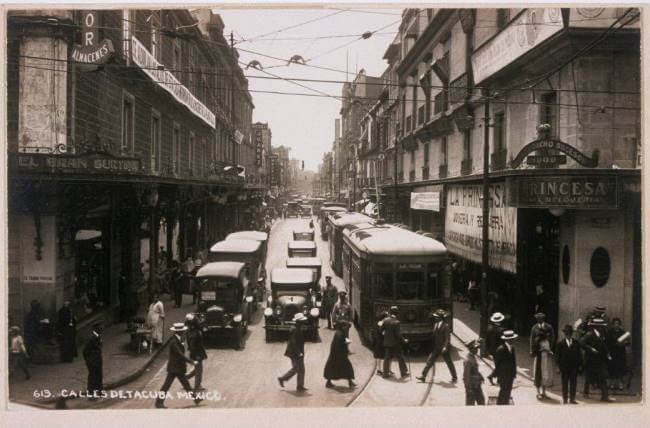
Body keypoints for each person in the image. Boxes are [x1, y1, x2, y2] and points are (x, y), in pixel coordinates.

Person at [155, 323, 201, 408]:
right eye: (183, 331)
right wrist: (191, 361)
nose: (184, 332)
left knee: (184, 384)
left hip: (176, 367)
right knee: (168, 385)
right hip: (175, 367)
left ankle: (196, 399)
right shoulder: (174, 342)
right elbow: (180, 354)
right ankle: (158, 403)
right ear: (179, 332)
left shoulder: (178, 339)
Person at [417, 309, 457, 384]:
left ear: (440, 318)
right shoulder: (435, 324)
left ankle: (454, 377)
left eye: (436, 317)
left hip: (443, 348)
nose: (435, 318)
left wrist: (445, 347)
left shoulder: (446, 326)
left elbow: (447, 338)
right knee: (430, 361)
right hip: (437, 347)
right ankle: (423, 376)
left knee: (449, 362)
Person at [581, 318, 614, 402]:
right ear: (596, 327)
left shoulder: (600, 334)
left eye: (602, 326)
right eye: (601, 326)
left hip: (599, 360)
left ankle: (604, 397)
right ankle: (586, 393)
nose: (602, 328)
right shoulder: (589, 334)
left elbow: (603, 345)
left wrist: (608, 353)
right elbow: (581, 343)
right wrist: (591, 349)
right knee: (588, 377)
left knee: (602, 377)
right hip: (590, 360)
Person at [278, 313, 308, 392]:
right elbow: (293, 342)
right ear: (298, 322)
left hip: (296, 351)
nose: (303, 322)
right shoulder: (295, 330)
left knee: (301, 369)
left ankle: (300, 386)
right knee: (297, 368)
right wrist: (299, 353)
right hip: (295, 352)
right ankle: (283, 378)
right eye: (302, 321)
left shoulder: (297, 328)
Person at [488, 330, 518, 405]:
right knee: (503, 392)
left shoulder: (512, 348)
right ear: (507, 340)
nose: (513, 340)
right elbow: (497, 365)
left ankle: (506, 404)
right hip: (503, 375)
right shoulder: (500, 349)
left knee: (508, 391)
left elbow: (513, 362)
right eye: (511, 339)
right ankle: (501, 405)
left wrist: (514, 374)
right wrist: (494, 375)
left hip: (510, 375)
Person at [324, 321, 356, 389]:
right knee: (347, 367)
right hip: (338, 355)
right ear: (342, 326)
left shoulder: (339, 332)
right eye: (346, 327)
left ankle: (329, 382)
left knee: (334, 368)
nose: (347, 329)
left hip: (336, 354)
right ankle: (350, 382)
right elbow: (340, 344)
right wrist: (346, 343)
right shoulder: (340, 334)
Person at [555, 324, 582, 404]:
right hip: (564, 367)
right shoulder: (560, 344)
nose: (568, 335)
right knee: (565, 383)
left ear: (571, 334)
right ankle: (565, 399)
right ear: (565, 334)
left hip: (574, 367)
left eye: (570, 333)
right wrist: (558, 367)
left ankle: (572, 399)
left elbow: (579, 355)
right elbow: (557, 357)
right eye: (567, 334)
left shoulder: (576, 343)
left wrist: (580, 365)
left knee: (573, 383)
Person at [381, 306, 409, 379]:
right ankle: (404, 373)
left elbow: (381, 330)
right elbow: (398, 335)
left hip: (387, 343)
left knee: (387, 358)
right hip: (395, 344)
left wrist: (386, 335)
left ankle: (385, 374)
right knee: (400, 357)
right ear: (397, 313)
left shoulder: (385, 320)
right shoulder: (397, 322)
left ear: (390, 312)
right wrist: (404, 340)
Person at [606, 317, 630, 391]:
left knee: (620, 368)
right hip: (612, 352)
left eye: (618, 324)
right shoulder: (610, 332)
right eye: (615, 324)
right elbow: (607, 342)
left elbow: (628, 342)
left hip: (620, 353)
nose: (616, 325)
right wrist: (615, 344)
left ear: (620, 324)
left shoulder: (623, 332)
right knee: (612, 368)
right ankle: (612, 384)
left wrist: (625, 343)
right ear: (613, 324)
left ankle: (620, 384)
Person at [185, 314, 207, 391]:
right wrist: (195, 356)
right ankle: (197, 386)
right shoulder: (194, 333)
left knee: (197, 369)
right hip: (197, 354)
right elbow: (193, 346)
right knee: (199, 370)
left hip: (196, 353)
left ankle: (185, 377)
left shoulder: (191, 330)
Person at [83, 323, 103, 400]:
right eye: (100, 328)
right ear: (95, 329)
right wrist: (89, 360)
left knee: (99, 375)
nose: (102, 329)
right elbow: (85, 351)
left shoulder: (98, 336)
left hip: (97, 359)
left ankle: (99, 391)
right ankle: (91, 395)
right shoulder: (91, 338)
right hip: (92, 361)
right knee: (93, 377)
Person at [533, 330, 554, 399]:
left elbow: (548, 349)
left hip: (545, 360)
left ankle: (544, 392)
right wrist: (542, 350)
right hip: (539, 360)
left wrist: (549, 352)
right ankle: (538, 392)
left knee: (545, 376)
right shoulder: (537, 341)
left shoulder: (546, 341)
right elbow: (534, 352)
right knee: (538, 375)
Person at [462, 339, 484, 405]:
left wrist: (480, 376)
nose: (477, 350)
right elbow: (466, 376)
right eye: (476, 348)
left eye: (477, 348)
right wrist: (468, 388)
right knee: (470, 404)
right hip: (472, 386)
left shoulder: (472, 357)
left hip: (476, 384)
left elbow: (475, 370)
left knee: (481, 401)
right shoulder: (468, 360)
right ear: (471, 349)